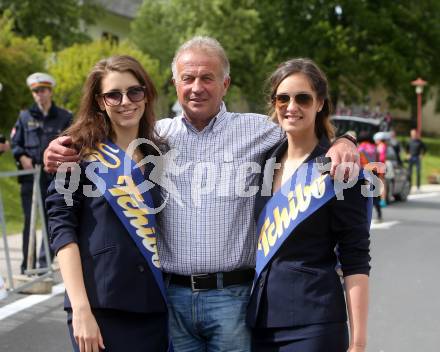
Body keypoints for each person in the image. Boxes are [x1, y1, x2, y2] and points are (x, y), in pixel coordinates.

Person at [43, 36, 359, 352]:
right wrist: (57, 150)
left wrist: (345, 141)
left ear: (225, 83)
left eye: (207, 78)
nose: (197, 87)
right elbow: (94, 160)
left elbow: (308, 131)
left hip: (232, 298)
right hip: (171, 299)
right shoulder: (156, 138)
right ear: (175, 83)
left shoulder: (260, 130)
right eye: (188, 78)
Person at [45, 55, 169, 352]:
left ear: (146, 95)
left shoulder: (161, 156)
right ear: (100, 102)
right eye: (114, 94)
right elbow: (62, 231)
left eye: (134, 92)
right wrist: (80, 310)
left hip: (155, 310)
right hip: (100, 309)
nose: (126, 101)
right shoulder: (76, 153)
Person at [247, 58, 370, 352]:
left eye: (303, 98)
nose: (292, 106)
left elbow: (356, 258)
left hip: (314, 324)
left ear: (319, 103)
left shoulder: (340, 170)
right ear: (273, 104)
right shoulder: (262, 164)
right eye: (283, 98)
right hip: (260, 323)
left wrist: (358, 343)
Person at [11, 72, 72, 274]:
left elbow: (71, 145)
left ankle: (44, 266)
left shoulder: (64, 117)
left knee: (50, 220)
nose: (40, 94)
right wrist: (22, 158)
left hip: (54, 178)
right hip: (30, 178)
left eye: (43, 90)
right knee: (29, 220)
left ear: (50, 91)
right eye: (36, 91)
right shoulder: (24, 117)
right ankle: (26, 266)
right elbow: (16, 143)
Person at [358, 131, 382, 221]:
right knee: (375, 194)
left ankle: (364, 215)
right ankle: (379, 214)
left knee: (365, 194)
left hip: (365, 172)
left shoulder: (360, 148)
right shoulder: (375, 148)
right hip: (375, 172)